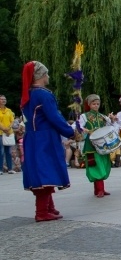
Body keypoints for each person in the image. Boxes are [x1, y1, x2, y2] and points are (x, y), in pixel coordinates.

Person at [20, 61, 79, 221]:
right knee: (46, 171)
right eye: (46, 73)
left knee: (41, 171)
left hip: (32, 137)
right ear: (40, 75)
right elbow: (54, 117)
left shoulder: (29, 94)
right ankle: (41, 212)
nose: (48, 76)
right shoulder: (43, 94)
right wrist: (70, 132)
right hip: (44, 138)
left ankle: (48, 207)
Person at [78, 94, 113, 198]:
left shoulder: (102, 116)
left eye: (98, 104)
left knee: (103, 164)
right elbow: (78, 125)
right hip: (91, 144)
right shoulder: (84, 116)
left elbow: (110, 126)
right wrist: (85, 130)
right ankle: (100, 189)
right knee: (95, 165)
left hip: (102, 144)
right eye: (94, 104)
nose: (96, 105)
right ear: (89, 104)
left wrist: (112, 119)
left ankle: (98, 189)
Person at [0, 94, 16, 174]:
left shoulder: (9, 110)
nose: (4, 100)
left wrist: (9, 128)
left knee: (8, 152)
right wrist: (4, 129)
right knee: (1, 151)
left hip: (8, 133)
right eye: (2, 99)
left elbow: (12, 121)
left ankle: (10, 169)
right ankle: (0, 169)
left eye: (4, 99)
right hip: (0, 133)